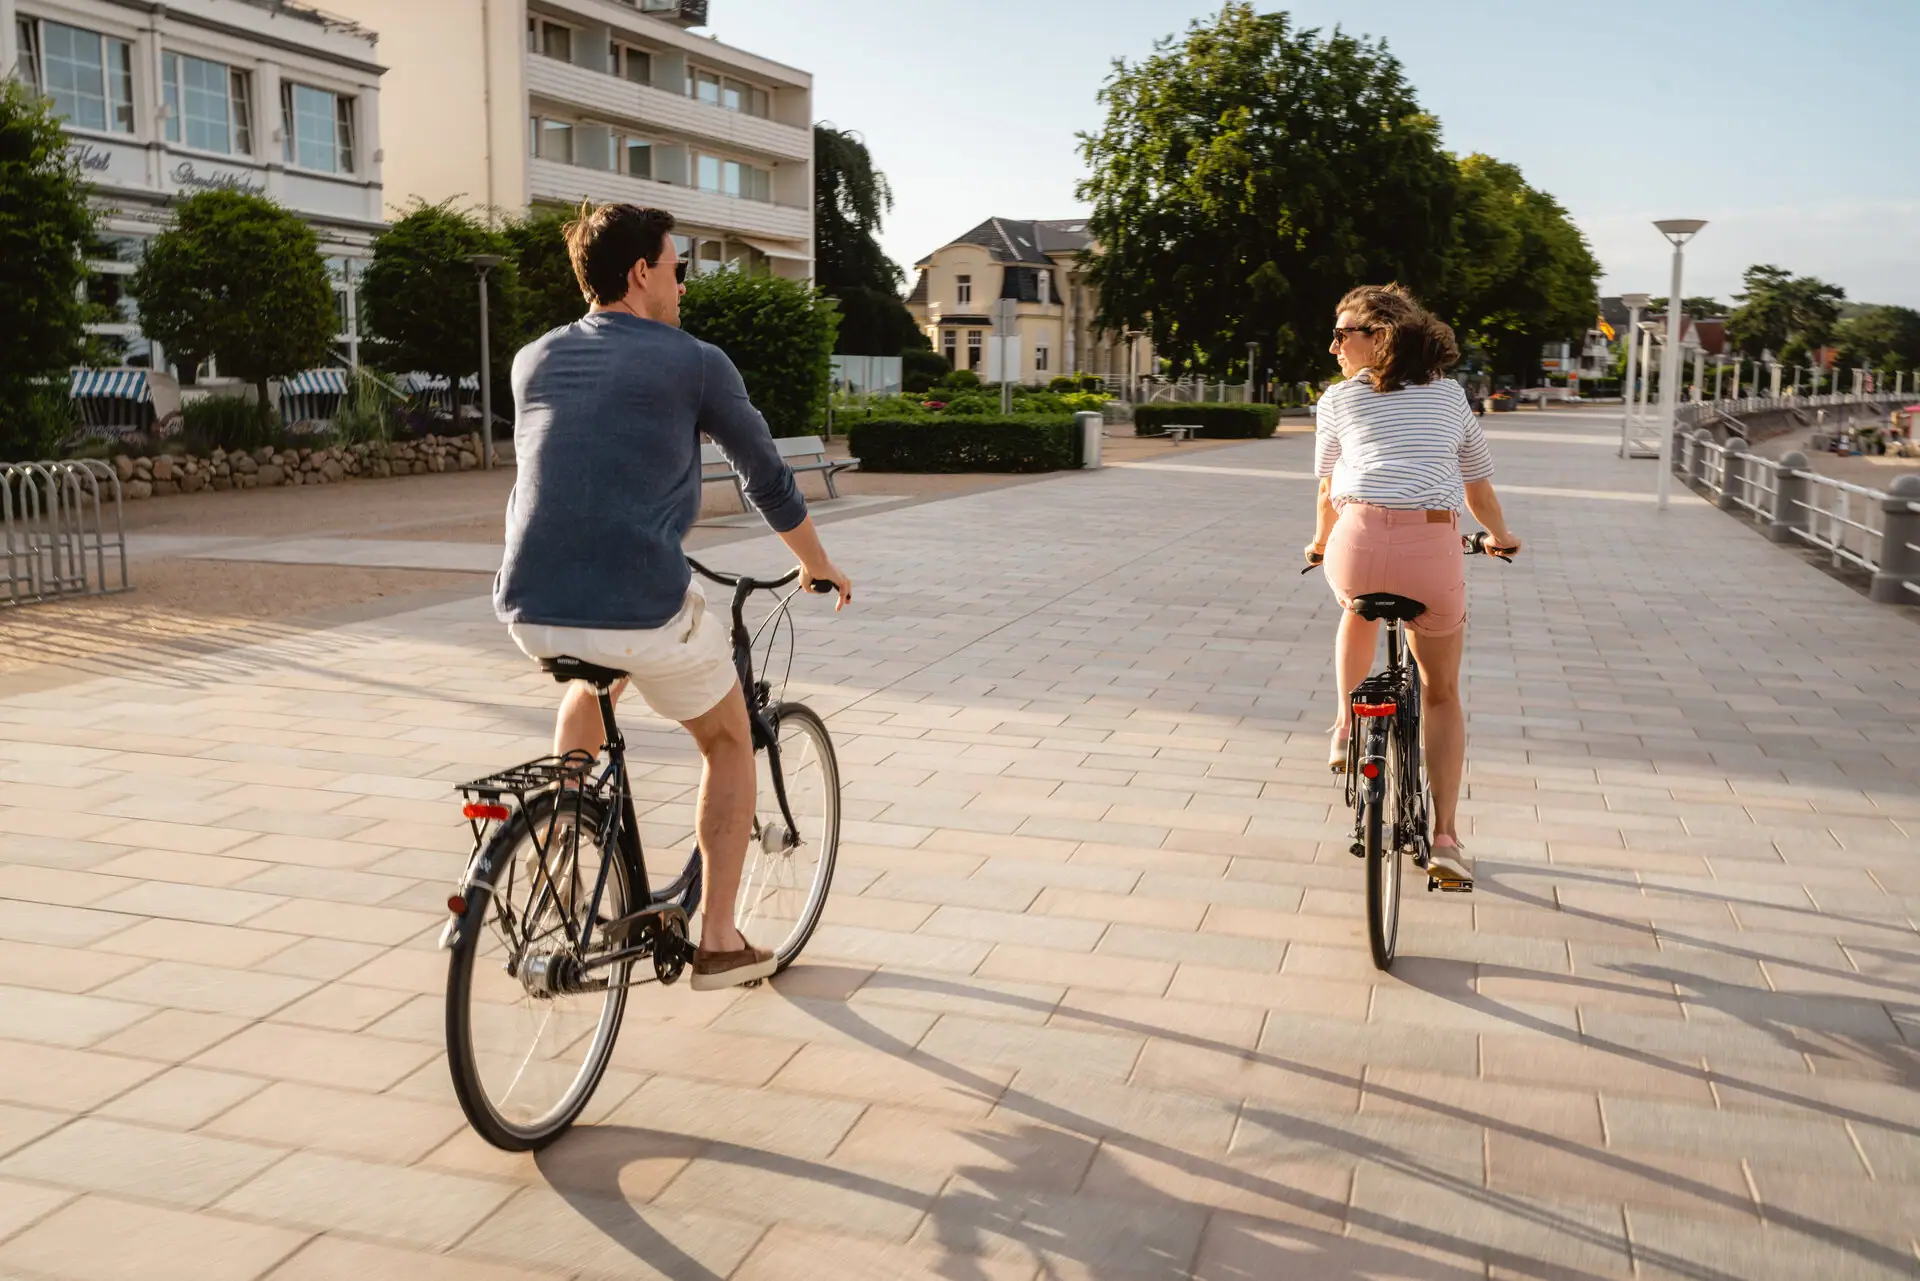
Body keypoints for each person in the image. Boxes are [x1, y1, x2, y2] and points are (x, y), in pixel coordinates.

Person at [494, 202, 852, 991]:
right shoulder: (694, 361)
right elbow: (769, 479)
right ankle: (720, 938)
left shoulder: (532, 359)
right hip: (638, 603)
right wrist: (818, 564)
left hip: (530, 603)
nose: (684, 285)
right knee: (729, 737)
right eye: (678, 266)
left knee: (596, 676)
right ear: (640, 274)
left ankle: (565, 837)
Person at [1305, 284, 1520, 888]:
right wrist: (1502, 535)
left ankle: (1347, 727)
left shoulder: (1335, 401)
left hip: (1357, 542)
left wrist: (1320, 543)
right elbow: (1477, 489)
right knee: (1442, 692)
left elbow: (1327, 492)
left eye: (1343, 333)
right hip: (1432, 548)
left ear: (1380, 336)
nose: (1333, 346)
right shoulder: (1450, 396)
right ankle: (1446, 839)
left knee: (1356, 606)